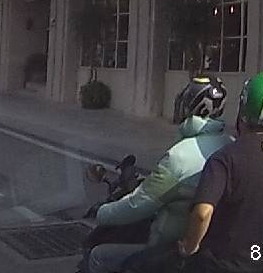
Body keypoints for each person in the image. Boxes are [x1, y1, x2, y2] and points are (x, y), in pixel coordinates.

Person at [82, 77, 232, 273]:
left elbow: (139, 204)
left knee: (98, 256)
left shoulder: (180, 156)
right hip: (210, 247)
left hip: (168, 247)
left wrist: (102, 213)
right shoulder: (230, 144)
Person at [174, 71, 263, 273]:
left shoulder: (225, 158)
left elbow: (202, 213)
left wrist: (188, 247)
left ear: (242, 106)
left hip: (217, 265)